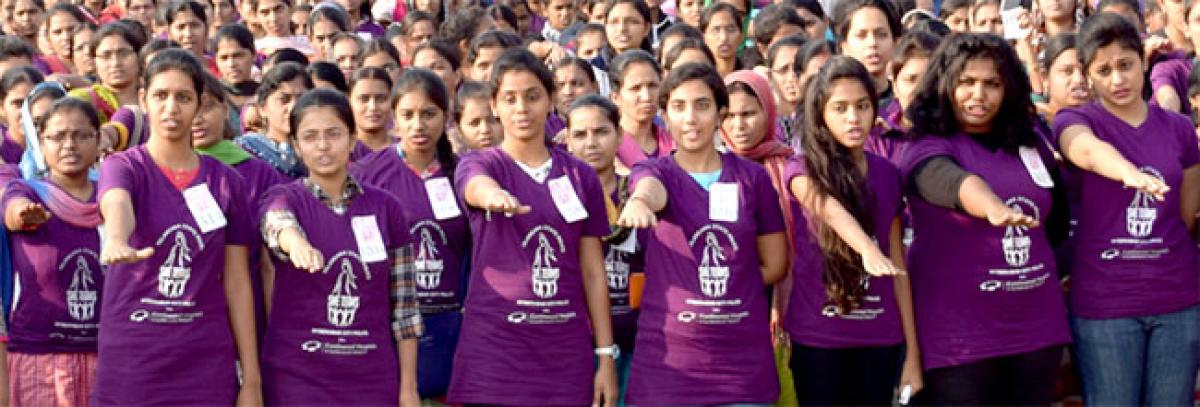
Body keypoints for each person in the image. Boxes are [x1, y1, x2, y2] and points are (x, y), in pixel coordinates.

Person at [900, 33, 1070, 405]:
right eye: (967, 82)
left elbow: (1058, 224)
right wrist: (992, 206)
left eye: (991, 84)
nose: (979, 95)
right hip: (959, 343)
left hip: (1037, 333)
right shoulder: (925, 146)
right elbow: (952, 182)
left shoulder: (1032, 144)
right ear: (945, 84)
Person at [446, 48, 618, 406]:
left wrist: (604, 355)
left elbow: (592, 272)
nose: (521, 108)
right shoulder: (481, 164)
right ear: (494, 105)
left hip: (564, 351)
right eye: (509, 99)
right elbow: (474, 186)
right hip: (496, 349)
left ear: (552, 100)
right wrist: (493, 196)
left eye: (532, 96)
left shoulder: (580, 175)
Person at [93, 48, 260, 406]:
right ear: (143, 100)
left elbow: (237, 283)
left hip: (204, 358)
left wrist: (252, 381)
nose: (171, 107)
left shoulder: (227, 182)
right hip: (133, 356)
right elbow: (116, 202)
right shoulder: (124, 167)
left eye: (183, 97)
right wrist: (118, 238)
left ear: (199, 104)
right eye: (161, 96)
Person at [616, 62, 789, 405]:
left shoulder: (752, 180)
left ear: (721, 113)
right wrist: (639, 202)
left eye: (702, 106)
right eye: (678, 107)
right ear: (664, 114)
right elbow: (649, 189)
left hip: (741, 365)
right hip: (669, 367)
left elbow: (776, 264)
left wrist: (729, 285)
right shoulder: (655, 171)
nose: (691, 118)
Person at [1052, 13, 1200, 406]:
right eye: (1103, 70)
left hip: (1177, 299)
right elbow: (1083, 149)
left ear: (1143, 63)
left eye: (1125, 65)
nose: (1117, 79)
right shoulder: (1077, 120)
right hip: (1105, 306)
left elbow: (1186, 214)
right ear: (1087, 75)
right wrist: (1127, 173)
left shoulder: (1179, 128)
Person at [257, 88, 420, 405]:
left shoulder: (386, 208)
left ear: (352, 137)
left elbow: (405, 308)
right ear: (295, 146)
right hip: (297, 378)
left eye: (333, 134)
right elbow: (276, 223)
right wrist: (297, 244)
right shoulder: (284, 197)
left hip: (372, 379)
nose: (322, 146)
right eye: (310, 136)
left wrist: (409, 388)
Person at [777, 56, 922, 405]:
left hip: (880, 337)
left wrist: (913, 356)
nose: (853, 118)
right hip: (819, 338)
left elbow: (898, 266)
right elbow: (827, 207)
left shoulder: (887, 173)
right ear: (821, 115)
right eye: (839, 108)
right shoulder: (801, 168)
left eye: (862, 106)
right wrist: (867, 250)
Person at [352, 68, 467, 399]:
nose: (418, 125)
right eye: (408, 115)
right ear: (394, 118)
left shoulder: (464, 174)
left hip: (449, 322)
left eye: (429, 114)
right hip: (386, 322)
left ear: (446, 117)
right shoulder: (366, 175)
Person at [1, 98, 103, 407]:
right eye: (57, 137)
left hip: (107, 356)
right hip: (39, 359)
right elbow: (11, 210)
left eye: (81, 135)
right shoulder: (29, 192)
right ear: (40, 144)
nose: (69, 145)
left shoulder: (113, 197)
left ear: (98, 141)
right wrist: (23, 215)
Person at [563, 94, 641, 404]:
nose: (591, 143)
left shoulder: (640, 191)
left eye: (602, 132)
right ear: (567, 140)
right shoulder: (560, 196)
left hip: (638, 332)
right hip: (579, 336)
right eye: (580, 135)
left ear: (620, 135)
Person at [236, 62, 315, 178]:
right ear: (262, 108)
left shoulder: (321, 150)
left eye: (302, 98)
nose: (293, 107)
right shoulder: (245, 153)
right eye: (284, 99)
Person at [609, 50, 671, 169]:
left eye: (652, 86)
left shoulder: (674, 141)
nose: (646, 96)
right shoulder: (609, 146)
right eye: (635, 88)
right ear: (615, 97)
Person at [1037, 33, 1089, 123]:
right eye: (1067, 71)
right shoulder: (1031, 123)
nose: (1079, 80)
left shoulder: (1104, 122)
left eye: (1085, 72)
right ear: (1045, 78)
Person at [347, 67, 393, 160]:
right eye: (364, 99)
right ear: (349, 101)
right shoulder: (342, 152)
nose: (373, 107)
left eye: (380, 98)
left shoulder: (407, 150)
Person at [0, 67, 41, 164]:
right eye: (18, 103)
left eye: (34, 102)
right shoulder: (2, 150)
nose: (26, 111)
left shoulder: (61, 148)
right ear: (1, 107)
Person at [450, 81, 503, 153]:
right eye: (474, 123)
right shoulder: (457, 164)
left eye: (492, 120)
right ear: (459, 129)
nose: (485, 129)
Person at [701, 3, 744, 78]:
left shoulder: (749, 77)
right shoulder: (698, 78)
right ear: (704, 37)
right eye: (716, 30)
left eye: (731, 29)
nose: (724, 37)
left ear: (741, 36)